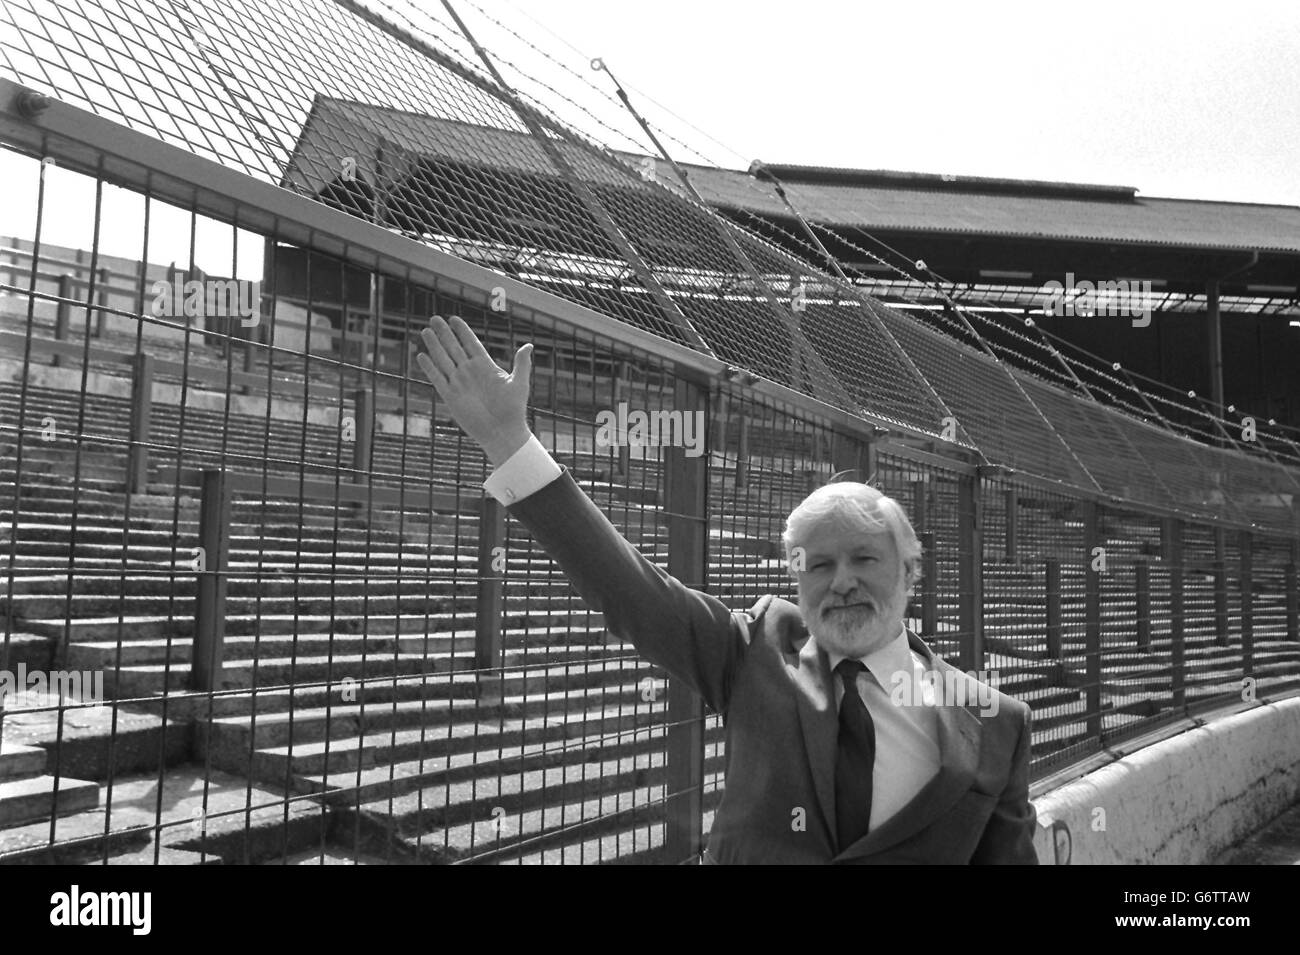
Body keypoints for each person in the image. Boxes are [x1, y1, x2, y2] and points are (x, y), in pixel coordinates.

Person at [417, 315, 1038, 864]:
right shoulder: (756, 649)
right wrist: (509, 443)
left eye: (865, 558)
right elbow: (632, 591)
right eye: (818, 565)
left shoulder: (996, 722)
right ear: (796, 577)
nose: (841, 580)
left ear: (910, 571)